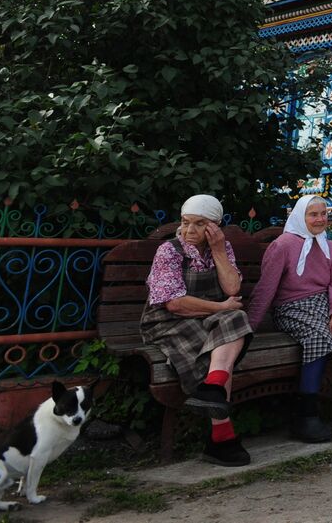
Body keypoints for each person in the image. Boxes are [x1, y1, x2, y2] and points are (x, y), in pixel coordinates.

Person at [247, 196, 332, 442]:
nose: (320, 219)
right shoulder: (282, 246)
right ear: (301, 216)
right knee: (318, 336)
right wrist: (250, 327)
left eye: (323, 214)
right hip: (291, 308)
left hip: (325, 306)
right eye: (313, 214)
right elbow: (266, 288)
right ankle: (306, 416)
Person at [139, 194, 253, 467]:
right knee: (219, 337)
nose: (189, 231)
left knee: (237, 318)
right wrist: (221, 307)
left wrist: (218, 251)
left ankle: (212, 388)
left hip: (205, 316)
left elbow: (233, 289)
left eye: (199, 224)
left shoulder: (221, 249)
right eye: (185, 222)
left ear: (214, 226)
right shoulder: (169, 250)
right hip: (168, 321)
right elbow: (175, 304)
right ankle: (221, 438)